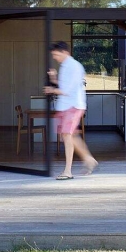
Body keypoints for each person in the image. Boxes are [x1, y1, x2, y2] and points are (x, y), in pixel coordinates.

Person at [43, 41, 98, 180]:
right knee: (70, 135)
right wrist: (54, 79)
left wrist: (52, 89)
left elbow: (67, 90)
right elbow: (64, 86)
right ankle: (89, 159)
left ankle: (68, 171)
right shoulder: (64, 66)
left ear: (65, 52)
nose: (55, 57)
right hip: (65, 106)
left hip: (73, 105)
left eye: (56, 54)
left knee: (67, 135)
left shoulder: (74, 66)